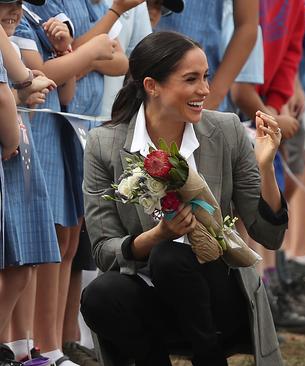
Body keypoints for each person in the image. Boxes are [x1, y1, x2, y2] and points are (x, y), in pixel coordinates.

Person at [80, 31, 287, 366]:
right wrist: (157, 235)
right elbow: (105, 251)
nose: (205, 90)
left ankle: (210, 359)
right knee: (101, 295)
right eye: (191, 79)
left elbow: (270, 235)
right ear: (152, 85)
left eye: (205, 77)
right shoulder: (103, 144)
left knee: (170, 259)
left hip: (219, 300)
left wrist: (265, 167)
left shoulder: (228, 130)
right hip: (149, 297)